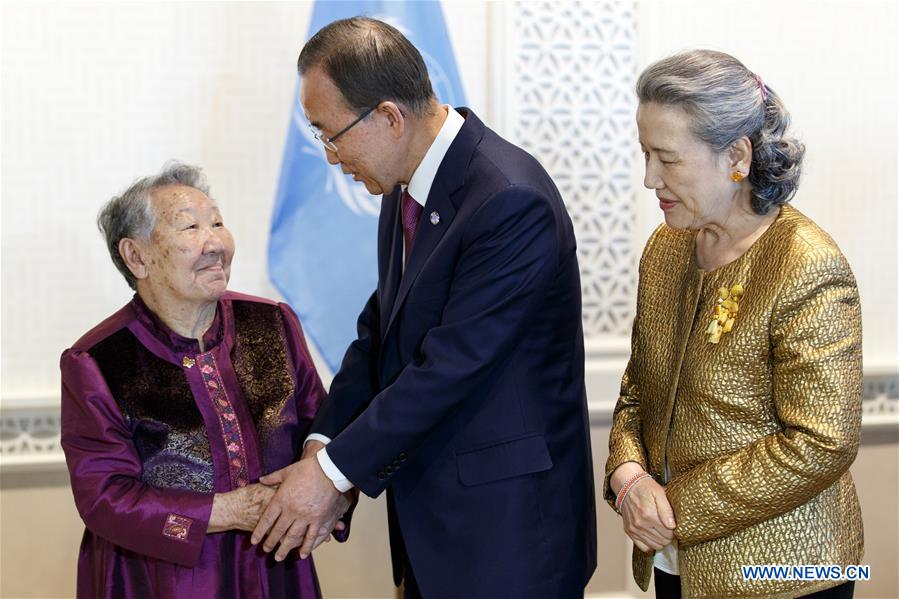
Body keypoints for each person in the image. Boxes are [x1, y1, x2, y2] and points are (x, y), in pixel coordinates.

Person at [251, 16, 597, 599]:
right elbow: (380, 332)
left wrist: (332, 476)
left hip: (506, 535)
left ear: (389, 117)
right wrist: (322, 444)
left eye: (330, 134)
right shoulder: (406, 183)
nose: (331, 156)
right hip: (437, 525)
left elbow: (449, 368)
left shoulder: (509, 200)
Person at [605, 49, 864, 599]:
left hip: (786, 575)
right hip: (675, 562)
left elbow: (822, 441)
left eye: (667, 158)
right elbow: (638, 390)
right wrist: (628, 479)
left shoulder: (805, 263)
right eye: (644, 154)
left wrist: (674, 506)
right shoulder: (667, 248)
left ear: (737, 156)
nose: (650, 178)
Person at [60, 162, 349, 598]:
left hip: (273, 568)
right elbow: (105, 498)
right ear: (136, 256)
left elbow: (324, 424)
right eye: (190, 227)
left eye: (217, 222)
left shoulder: (271, 322)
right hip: (162, 580)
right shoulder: (98, 360)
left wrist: (328, 490)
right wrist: (229, 510)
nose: (215, 242)